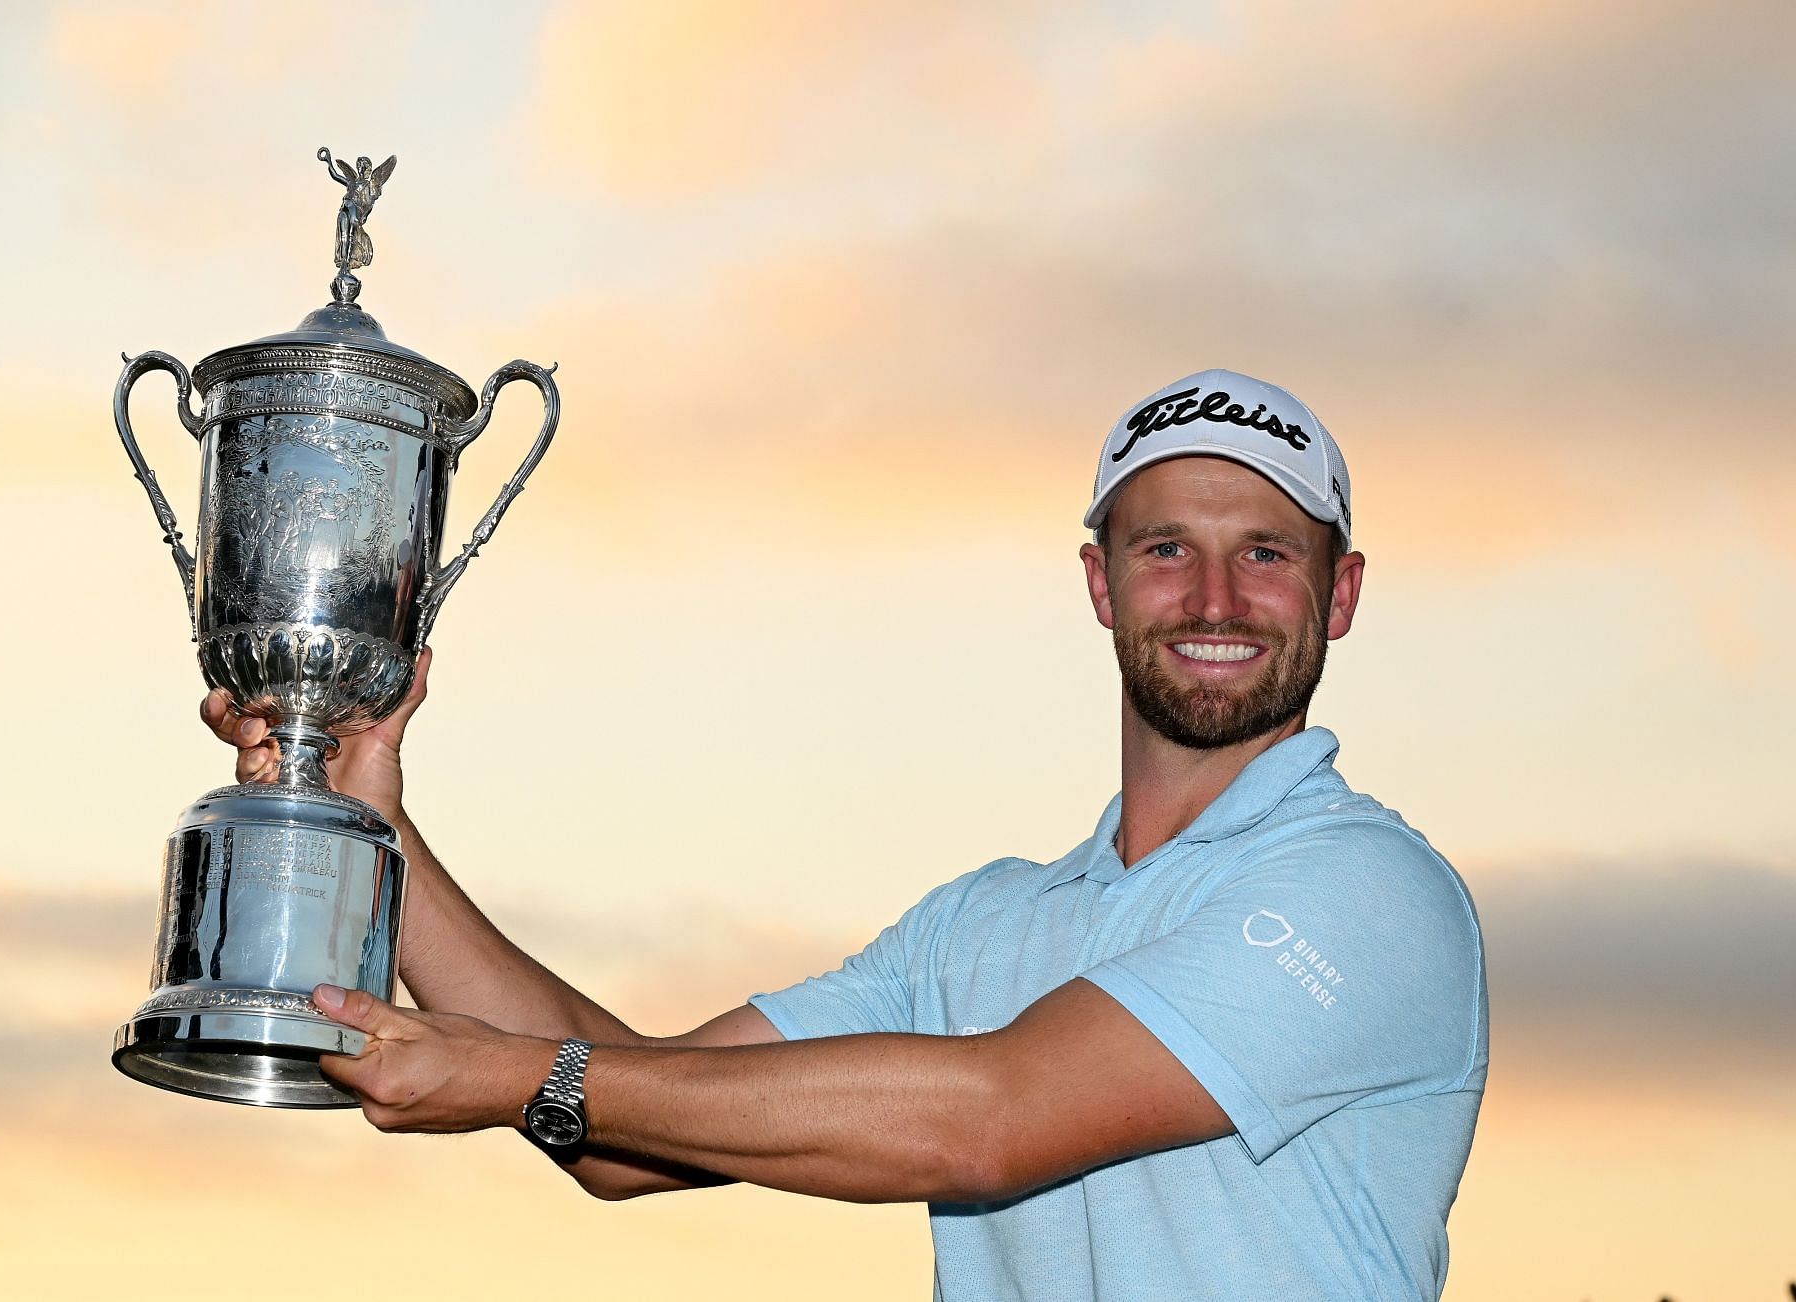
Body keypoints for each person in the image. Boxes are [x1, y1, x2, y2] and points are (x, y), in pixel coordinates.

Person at [202, 368, 1487, 1301]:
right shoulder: (986, 926)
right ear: (1101, 584)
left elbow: (992, 1117)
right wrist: (374, 823)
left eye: (1267, 552)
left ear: (1343, 594)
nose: (1216, 598)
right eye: (1166, 550)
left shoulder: (1370, 891)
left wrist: (521, 1077)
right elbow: (632, 1126)